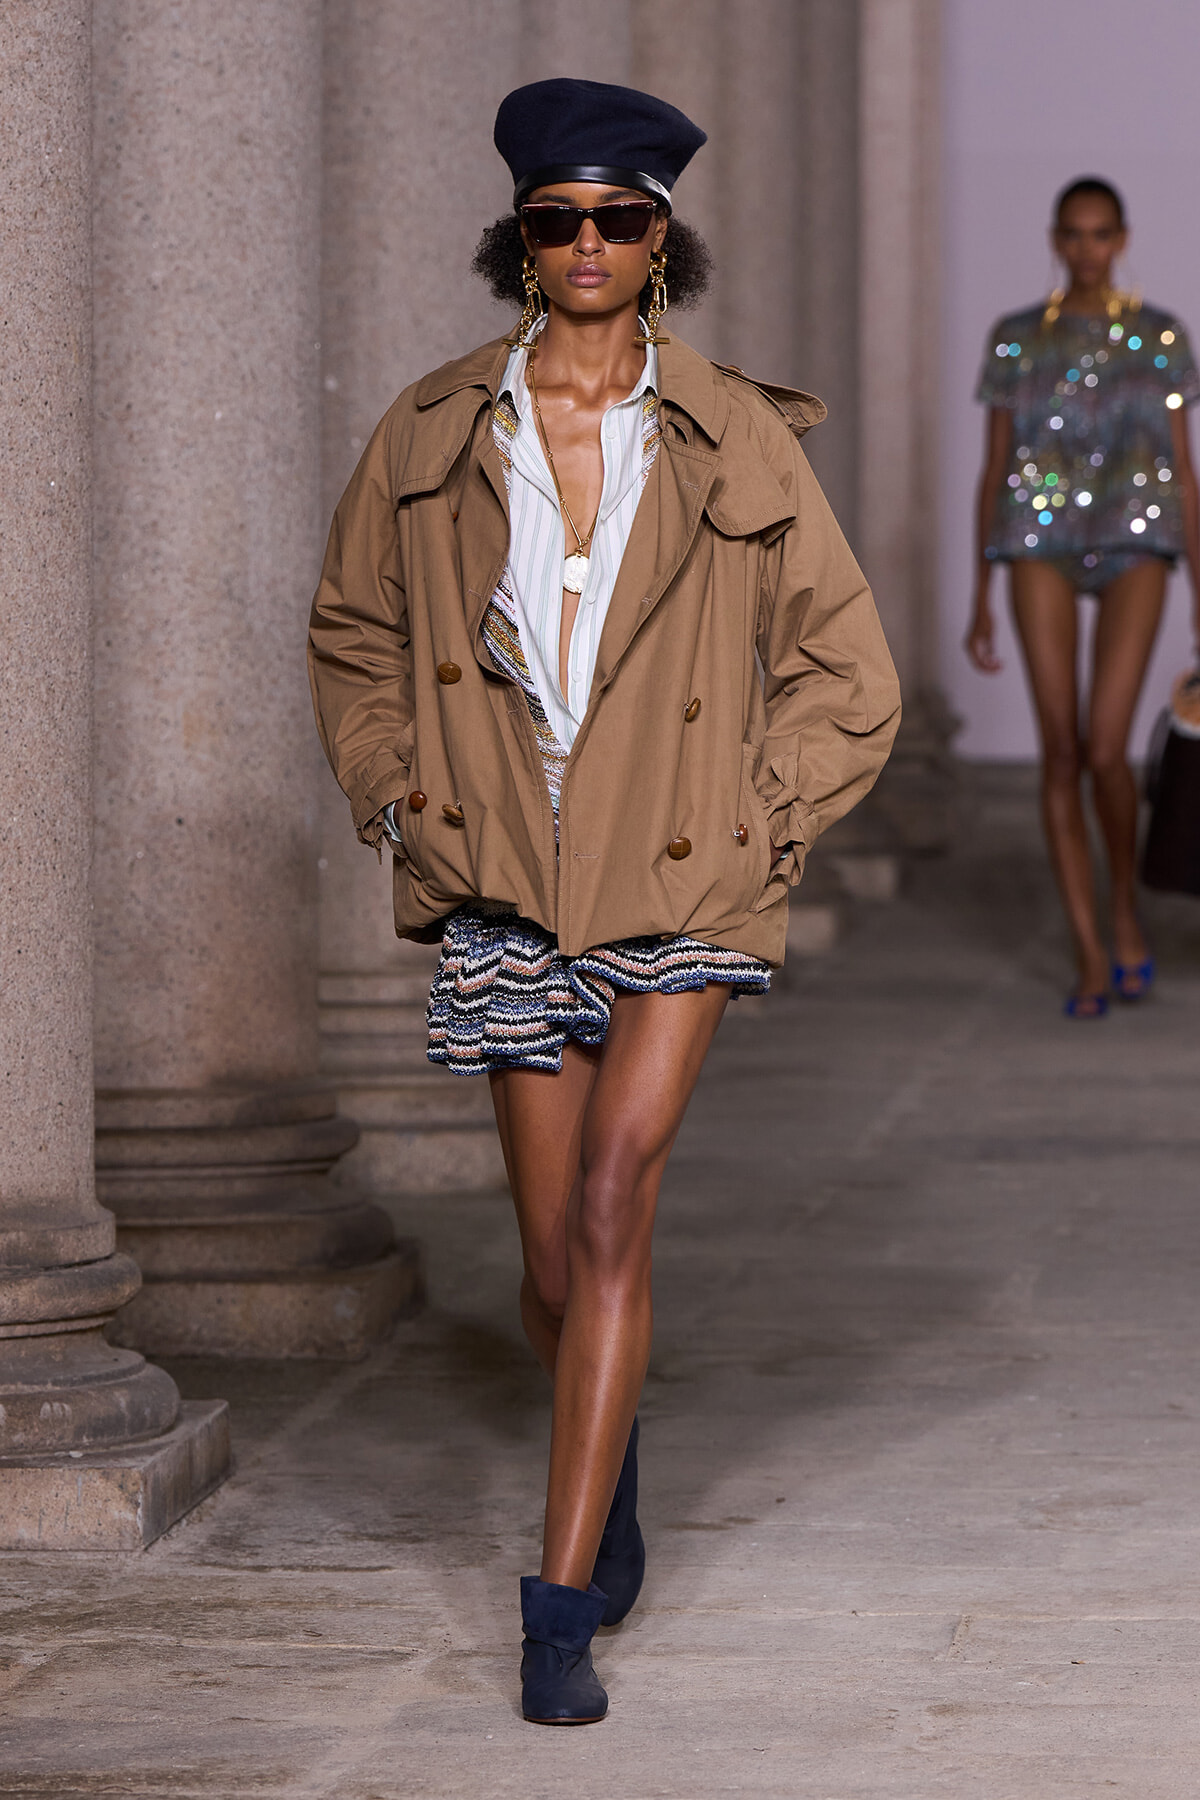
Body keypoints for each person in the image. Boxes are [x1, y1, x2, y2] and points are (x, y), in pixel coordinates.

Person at [308, 78, 900, 1725]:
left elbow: (849, 672)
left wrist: (758, 816)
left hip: (680, 870)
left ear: (662, 242)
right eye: (557, 217)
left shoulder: (735, 434)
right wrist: (394, 789)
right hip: (503, 867)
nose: (586, 244)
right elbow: (353, 632)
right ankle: (606, 1432)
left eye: (618, 218)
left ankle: (556, 1605)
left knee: (617, 1204)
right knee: (558, 1272)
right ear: (522, 237)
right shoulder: (434, 433)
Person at [966, 176, 1200, 1017]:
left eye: (1102, 233)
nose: (1088, 247)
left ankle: (1126, 911)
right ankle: (1090, 951)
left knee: (1106, 749)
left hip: (1141, 534)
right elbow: (994, 467)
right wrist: (980, 592)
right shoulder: (1017, 338)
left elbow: (1182, 467)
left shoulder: (1162, 336)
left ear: (1122, 238)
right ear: (1056, 240)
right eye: (1074, 233)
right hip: (1036, 538)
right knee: (1061, 749)